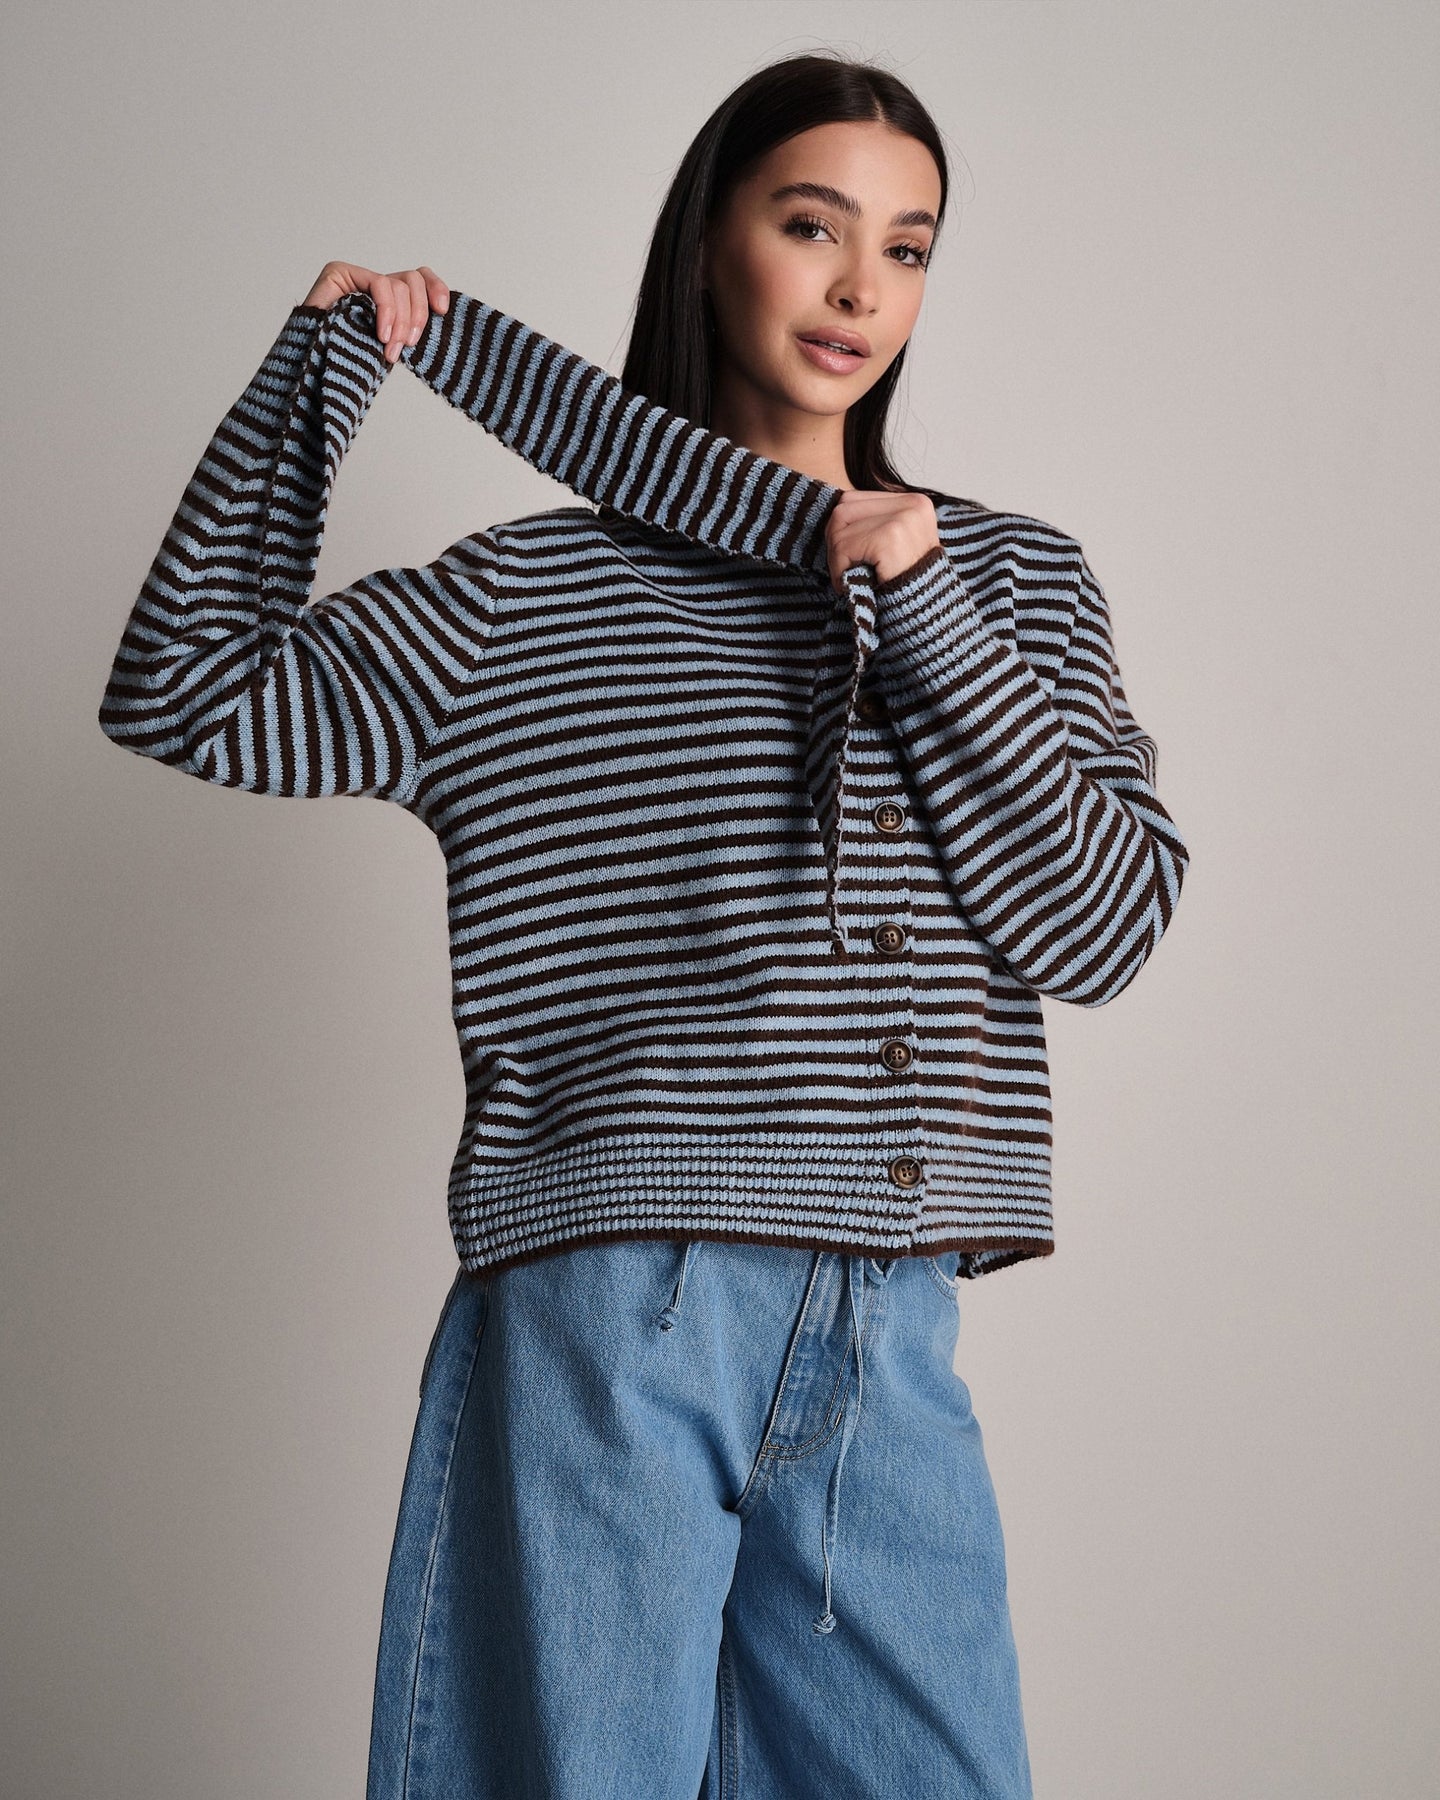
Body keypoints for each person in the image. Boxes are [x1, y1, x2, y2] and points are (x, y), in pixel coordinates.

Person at [99, 50, 1190, 1800]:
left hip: (890, 1316)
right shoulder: (524, 601)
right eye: (812, 225)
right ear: (708, 244)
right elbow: (187, 687)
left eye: (908, 247)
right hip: (614, 1303)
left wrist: (916, 603)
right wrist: (318, 380)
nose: (860, 287)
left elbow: (1104, 926)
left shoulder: (1011, 579)